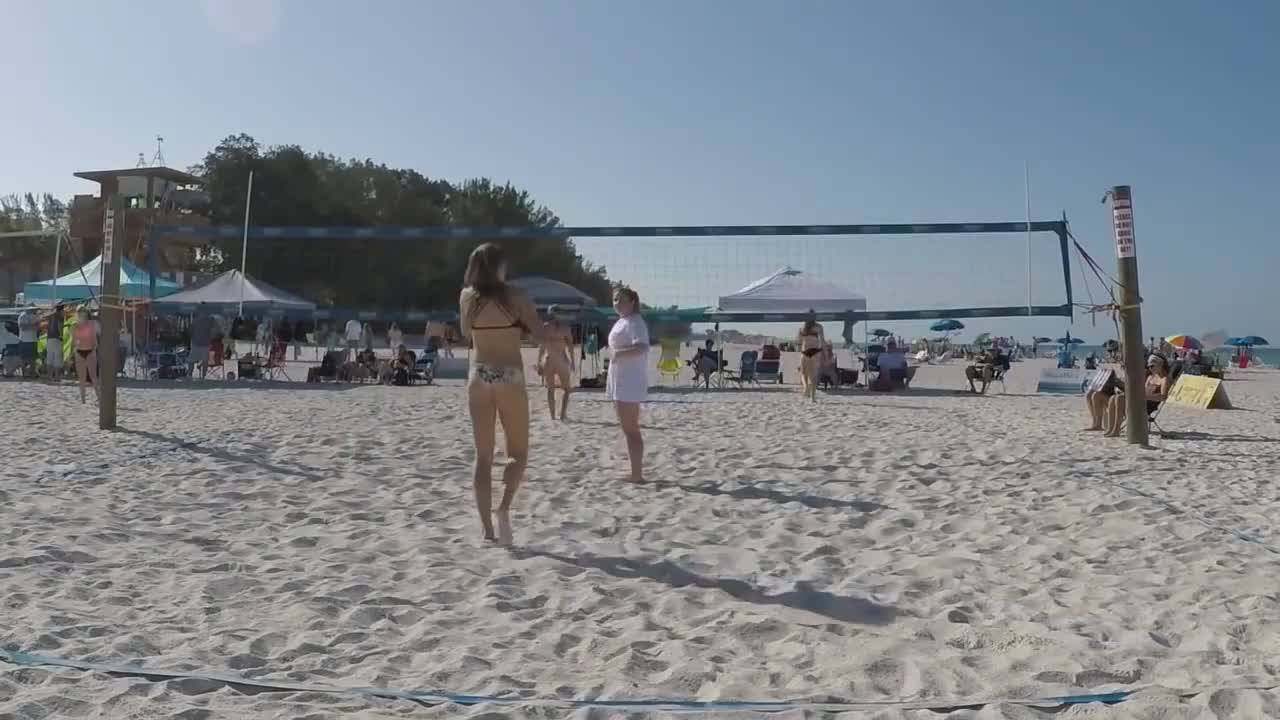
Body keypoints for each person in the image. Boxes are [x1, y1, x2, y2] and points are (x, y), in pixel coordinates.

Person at [460, 242, 542, 545]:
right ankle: (504, 508)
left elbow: (466, 332)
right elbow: (539, 333)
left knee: (482, 458)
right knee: (518, 454)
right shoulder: (516, 296)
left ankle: (486, 529)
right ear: (499, 267)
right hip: (509, 374)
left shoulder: (466, 297)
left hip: (479, 374)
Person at [606, 286, 649, 484]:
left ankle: (637, 475)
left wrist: (620, 353)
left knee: (631, 429)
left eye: (622, 300)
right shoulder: (622, 321)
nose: (618, 303)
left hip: (630, 380)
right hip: (619, 379)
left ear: (632, 302)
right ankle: (635, 472)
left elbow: (642, 346)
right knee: (627, 428)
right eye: (615, 300)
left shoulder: (635, 321)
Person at [1103, 354, 1171, 438]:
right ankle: (1111, 429)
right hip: (1140, 400)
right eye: (1149, 366)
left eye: (1152, 366)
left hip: (1147, 405)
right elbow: (1142, 390)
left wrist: (1144, 396)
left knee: (1120, 399)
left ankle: (1116, 430)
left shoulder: (1164, 379)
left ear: (1160, 364)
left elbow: (1163, 396)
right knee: (1114, 398)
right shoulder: (1150, 377)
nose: (1150, 368)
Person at [536, 306, 576, 420]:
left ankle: (552, 415)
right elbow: (571, 347)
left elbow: (542, 347)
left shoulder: (545, 327)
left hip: (549, 359)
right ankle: (563, 415)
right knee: (567, 389)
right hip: (561, 359)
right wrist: (573, 362)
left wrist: (538, 361)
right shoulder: (565, 328)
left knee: (550, 389)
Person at [72, 308, 99, 404]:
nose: (82, 315)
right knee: (82, 378)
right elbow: (74, 341)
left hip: (90, 351)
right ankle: (83, 400)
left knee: (93, 376)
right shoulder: (74, 325)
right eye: (80, 313)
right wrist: (73, 351)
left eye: (83, 312)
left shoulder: (91, 324)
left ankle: (99, 397)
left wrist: (94, 351)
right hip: (79, 351)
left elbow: (94, 340)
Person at [796, 314, 824, 402]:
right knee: (813, 376)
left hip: (805, 351)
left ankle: (806, 388)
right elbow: (822, 341)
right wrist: (823, 352)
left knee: (804, 373)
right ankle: (813, 398)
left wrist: (800, 352)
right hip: (815, 351)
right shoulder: (819, 327)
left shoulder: (802, 328)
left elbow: (799, 343)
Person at [189, 311, 214, 379]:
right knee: (196, 360)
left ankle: (198, 375)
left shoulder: (197, 321)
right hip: (200, 344)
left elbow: (190, 331)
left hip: (200, 344)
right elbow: (190, 331)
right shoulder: (208, 321)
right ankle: (198, 375)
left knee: (198, 360)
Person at [16, 307, 38, 377]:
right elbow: (22, 327)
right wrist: (32, 325)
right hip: (24, 339)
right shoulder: (22, 315)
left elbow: (37, 327)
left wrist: (29, 325)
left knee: (33, 358)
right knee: (23, 358)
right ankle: (24, 373)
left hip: (33, 339)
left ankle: (32, 373)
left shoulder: (35, 316)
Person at [45, 304, 65, 380]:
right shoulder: (60, 316)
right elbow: (59, 326)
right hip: (57, 338)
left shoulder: (51, 316)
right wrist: (61, 335)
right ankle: (57, 376)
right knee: (57, 357)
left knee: (49, 357)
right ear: (61, 310)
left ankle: (49, 375)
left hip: (49, 338)